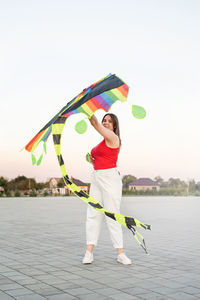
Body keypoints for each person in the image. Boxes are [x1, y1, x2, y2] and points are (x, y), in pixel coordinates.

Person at [82, 113, 132, 265]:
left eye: (109, 121)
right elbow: (98, 160)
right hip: (97, 178)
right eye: (104, 120)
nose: (105, 123)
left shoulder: (114, 138)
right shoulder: (102, 142)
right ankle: (89, 252)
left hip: (110, 179)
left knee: (112, 215)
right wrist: (91, 160)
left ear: (114, 125)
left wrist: (88, 110)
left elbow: (95, 124)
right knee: (93, 214)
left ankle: (120, 253)